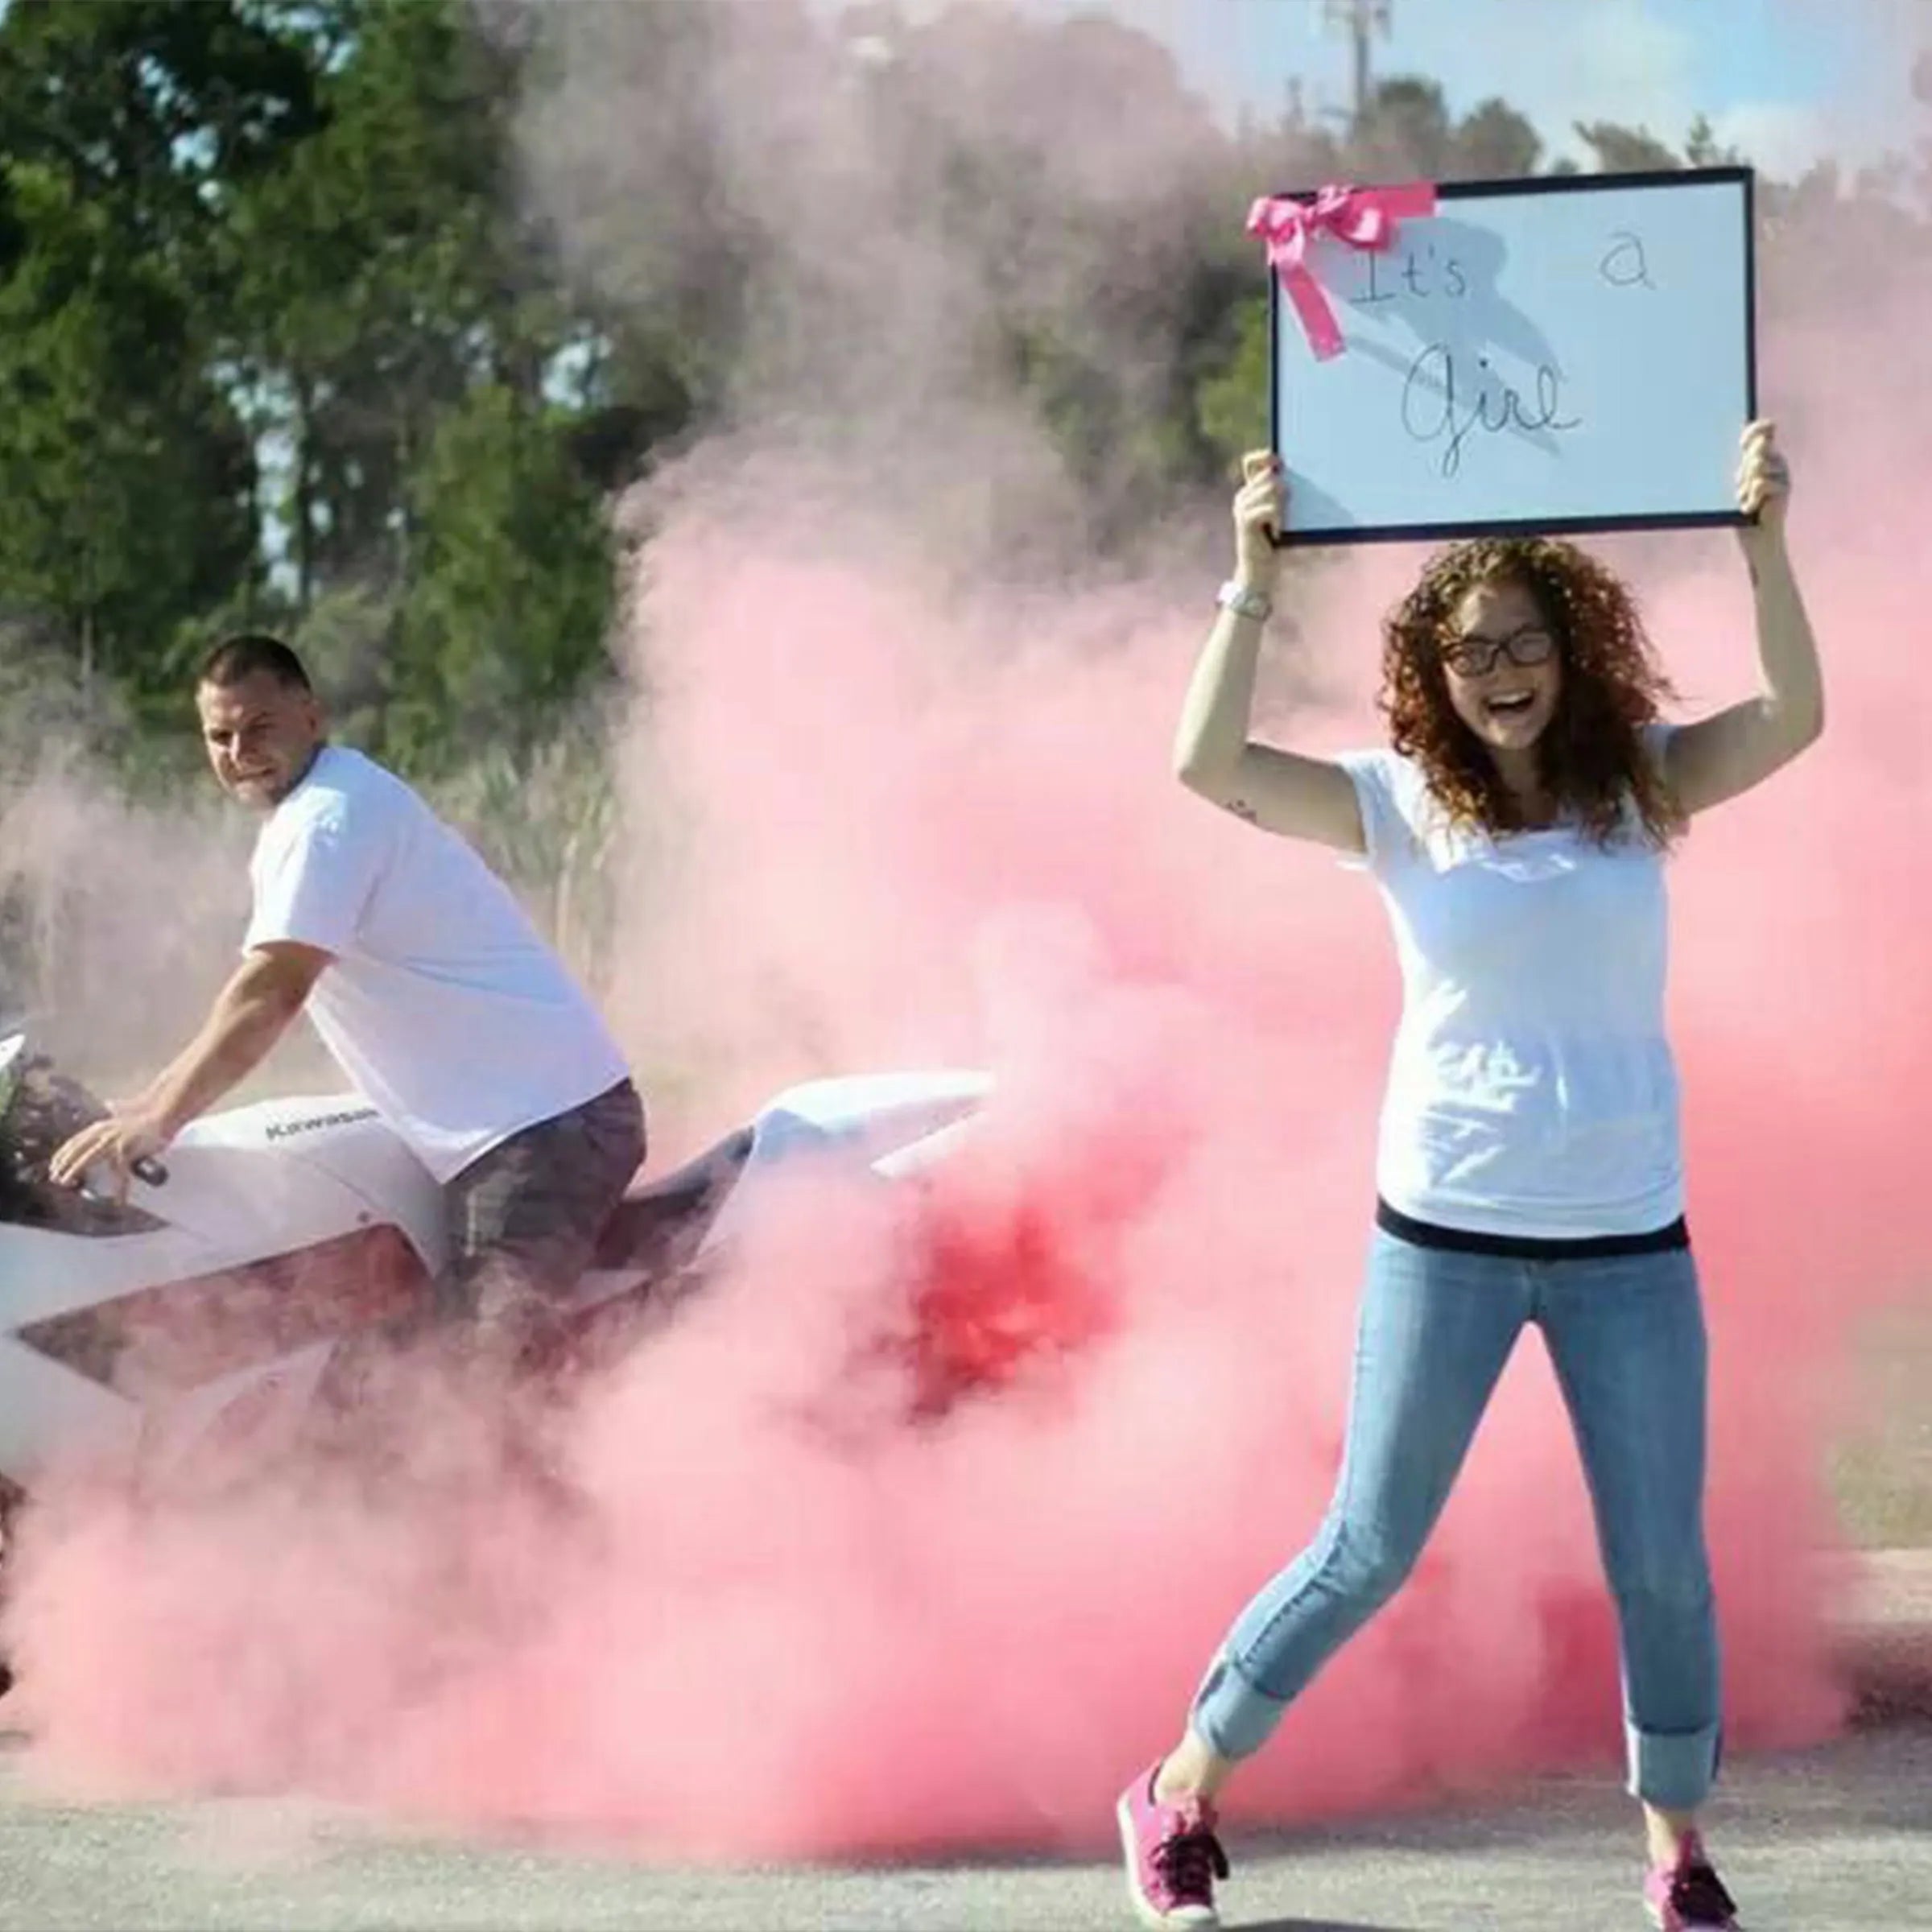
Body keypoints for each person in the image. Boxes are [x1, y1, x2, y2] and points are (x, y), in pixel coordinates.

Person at [1117, 421, 1819, 1932]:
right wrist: (1249, 581)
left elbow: (1792, 717)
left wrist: (1763, 546)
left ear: (1572, 649)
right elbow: (1206, 764)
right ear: (1431, 677)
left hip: (1629, 1242)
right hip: (1444, 1234)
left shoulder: (1643, 783)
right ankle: (1178, 1792)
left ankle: (1677, 1851)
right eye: (1466, 653)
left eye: (1522, 643)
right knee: (1368, 1548)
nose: (1498, 672)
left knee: (1663, 1568)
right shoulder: (1393, 803)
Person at [49, 634, 646, 1397]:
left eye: (259, 727)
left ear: (311, 715)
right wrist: (142, 1105)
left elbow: (273, 990)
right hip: (524, 1126)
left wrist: (162, 1119)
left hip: (543, 1136)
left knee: (455, 1394)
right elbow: (254, 986)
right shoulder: (322, 805)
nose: (239, 753)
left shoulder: (326, 820)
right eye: (220, 736)